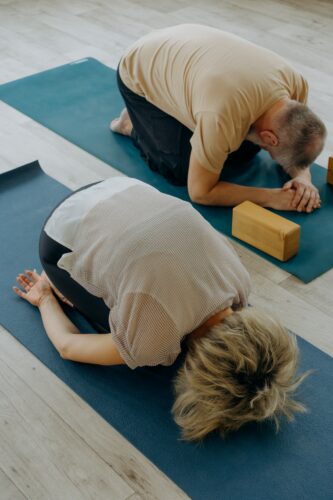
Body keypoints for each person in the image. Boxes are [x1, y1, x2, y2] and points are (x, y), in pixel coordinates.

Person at [13, 177, 308, 441]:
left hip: (119, 187)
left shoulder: (239, 284)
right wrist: (45, 299)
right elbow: (68, 346)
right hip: (59, 232)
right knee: (139, 352)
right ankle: (64, 275)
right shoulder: (153, 342)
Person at [111, 24, 327, 213]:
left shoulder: (295, 86)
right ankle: (132, 122)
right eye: (271, 148)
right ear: (270, 138)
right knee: (180, 170)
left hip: (189, 49)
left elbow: (297, 141)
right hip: (139, 65)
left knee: (241, 150)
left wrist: (302, 178)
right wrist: (271, 198)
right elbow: (200, 192)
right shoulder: (222, 113)